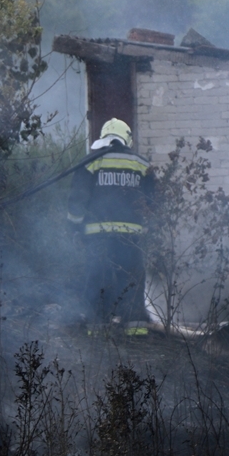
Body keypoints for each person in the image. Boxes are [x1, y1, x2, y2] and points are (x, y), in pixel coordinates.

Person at [68, 118, 154, 325]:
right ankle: (135, 328)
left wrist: (73, 227)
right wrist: (149, 226)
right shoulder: (141, 164)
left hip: (97, 235)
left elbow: (78, 199)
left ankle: (97, 327)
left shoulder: (90, 162)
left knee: (97, 278)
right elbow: (151, 200)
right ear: (127, 138)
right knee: (131, 279)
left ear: (104, 137)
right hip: (130, 236)